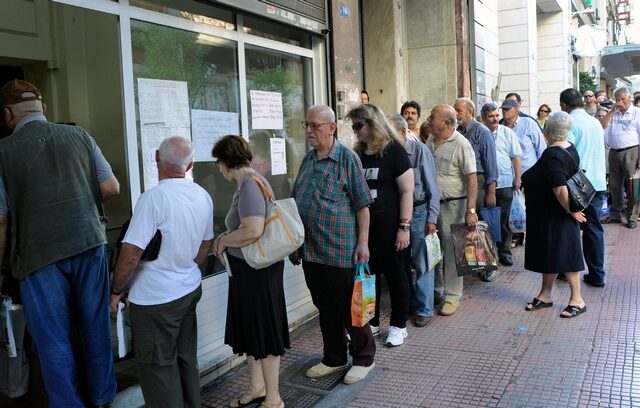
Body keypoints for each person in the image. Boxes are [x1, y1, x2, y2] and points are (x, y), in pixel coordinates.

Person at [0, 79, 119, 407]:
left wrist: (1, 268)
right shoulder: (79, 136)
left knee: (53, 338)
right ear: (44, 108)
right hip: (89, 242)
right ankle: (103, 398)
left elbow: (1, 219)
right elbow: (111, 187)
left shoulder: (3, 151)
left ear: (8, 114)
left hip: (38, 254)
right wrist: (82, 209)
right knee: (96, 327)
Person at [110, 136, 213, 408]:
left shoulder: (153, 199)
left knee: (158, 368)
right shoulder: (202, 195)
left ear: (157, 157)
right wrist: (185, 270)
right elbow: (205, 245)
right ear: (190, 165)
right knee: (185, 358)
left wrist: (116, 290)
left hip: (155, 300)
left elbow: (131, 254)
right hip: (188, 290)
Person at [291, 105, 376, 384]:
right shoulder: (308, 159)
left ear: (331, 127)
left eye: (315, 125)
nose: (309, 131)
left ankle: (364, 358)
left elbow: (363, 205)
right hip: (312, 251)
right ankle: (334, 358)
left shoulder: (347, 159)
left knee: (350, 307)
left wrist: (363, 243)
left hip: (341, 250)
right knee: (325, 307)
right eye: (307, 125)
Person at [210, 135, 289, 408]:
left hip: (258, 273)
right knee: (253, 332)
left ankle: (274, 398)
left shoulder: (250, 185)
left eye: (218, 162)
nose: (218, 169)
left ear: (225, 161)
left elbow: (253, 230)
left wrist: (222, 241)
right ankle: (257, 388)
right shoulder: (248, 182)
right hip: (250, 272)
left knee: (264, 334)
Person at [347, 104, 414, 346]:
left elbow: (407, 191)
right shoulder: (357, 153)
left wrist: (404, 227)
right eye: (353, 126)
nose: (355, 131)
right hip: (366, 230)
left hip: (391, 226)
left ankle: (398, 325)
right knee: (369, 276)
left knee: (396, 276)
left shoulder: (394, 151)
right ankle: (372, 321)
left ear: (372, 123)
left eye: (358, 125)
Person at [522, 112, 587, 318]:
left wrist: (571, 210)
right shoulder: (570, 149)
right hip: (548, 215)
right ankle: (545, 295)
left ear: (546, 131)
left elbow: (560, 188)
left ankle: (577, 299)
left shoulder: (552, 155)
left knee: (566, 254)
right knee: (549, 254)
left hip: (556, 214)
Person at [387, 113, 440, 327]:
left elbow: (432, 188)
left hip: (419, 211)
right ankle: (408, 304)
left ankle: (424, 309)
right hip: (396, 214)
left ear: (402, 132)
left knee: (422, 261)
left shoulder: (419, 150)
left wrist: (432, 218)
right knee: (402, 262)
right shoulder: (387, 153)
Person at [425, 104, 478, 316]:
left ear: (446, 123)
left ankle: (452, 296)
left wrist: (471, 210)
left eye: (432, 117)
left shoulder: (461, 144)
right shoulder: (430, 140)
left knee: (453, 252)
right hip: (431, 206)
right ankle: (436, 291)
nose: (428, 120)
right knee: (432, 250)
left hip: (454, 205)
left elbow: (472, 178)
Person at [560, 88, 607, 287]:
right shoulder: (595, 121)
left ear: (564, 105)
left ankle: (566, 270)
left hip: (577, 184)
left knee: (568, 227)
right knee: (593, 229)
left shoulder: (570, 123)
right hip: (596, 182)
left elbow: (566, 153)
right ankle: (597, 275)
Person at [454, 98, 498, 281]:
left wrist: (491, 191)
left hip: (479, 182)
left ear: (470, 112)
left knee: (481, 225)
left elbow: (491, 166)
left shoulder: (482, 132)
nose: (456, 113)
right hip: (461, 182)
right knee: (467, 227)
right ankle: (473, 263)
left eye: (459, 110)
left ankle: (489, 265)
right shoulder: (456, 132)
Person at [480, 103, 522, 267]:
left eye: (497, 115)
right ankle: (489, 254)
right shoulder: (480, 133)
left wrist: (517, 178)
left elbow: (516, 156)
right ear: (484, 118)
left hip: (505, 182)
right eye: (491, 116)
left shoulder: (507, 133)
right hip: (485, 184)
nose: (495, 119)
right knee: (487, 220)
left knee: (504, 220)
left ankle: (505, 252)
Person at [600, 87, 640, 228]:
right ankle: (615, 215)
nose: (620, 102)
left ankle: (632, 217)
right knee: (615, 186)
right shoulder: (613, 113)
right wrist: (612, 111)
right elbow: (602, 125)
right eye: (617, 99)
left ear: (629, 98)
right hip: (614, 152)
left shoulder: (637, 113)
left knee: (632, 186)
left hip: (632, 152)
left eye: (622, 99)